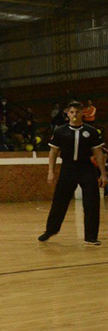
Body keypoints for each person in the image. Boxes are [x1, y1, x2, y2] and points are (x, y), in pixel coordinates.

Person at [38, 101, 106, 246]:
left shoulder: (91, 131)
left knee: (92, 203)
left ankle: (91, 237)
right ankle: (51, 230)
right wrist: (50, 172)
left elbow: (98, 153)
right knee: (59, 201)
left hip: (86, 168)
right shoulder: (60, 131)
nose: (75, 114)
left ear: (82, 113)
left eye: (77, 112)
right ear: (67, 113)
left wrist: (103, 174)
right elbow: (53, 152)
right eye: (72, 112)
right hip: (68, 169)